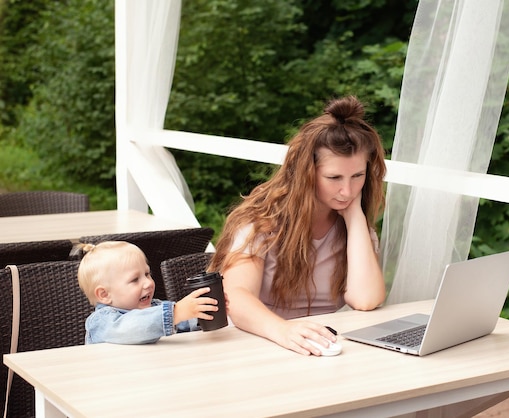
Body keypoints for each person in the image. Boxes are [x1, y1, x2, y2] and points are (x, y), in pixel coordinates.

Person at [208, 95, 387, 355]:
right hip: (262, 343)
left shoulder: (355, 229)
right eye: (334, 177)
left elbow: (365, 299)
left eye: (357, 176)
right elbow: (235, 296)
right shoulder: (261, 222)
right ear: (306, 173)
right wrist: (285, 331)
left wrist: (355, 218)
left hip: (323, 345)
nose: (347, 190)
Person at [77, 241, 222, 344]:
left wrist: (205, 311)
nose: (148, 283)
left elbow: (185, 324)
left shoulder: (155, 307)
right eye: (135, 280)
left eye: (147, 274)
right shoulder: (102, 322)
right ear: (104, 295)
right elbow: (133, 328)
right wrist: (175, 313)